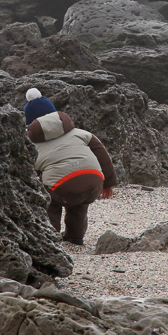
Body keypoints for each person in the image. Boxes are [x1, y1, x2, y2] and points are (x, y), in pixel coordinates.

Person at [23, 88, 116, 245]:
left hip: (62, 187)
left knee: (49, 201)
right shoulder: (81, 133)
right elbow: (102, 154)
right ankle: (75, 237)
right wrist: (108, 184)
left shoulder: (33, 145)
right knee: (79, 204)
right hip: (94, 182)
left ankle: (50, 237)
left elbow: (30, 170)